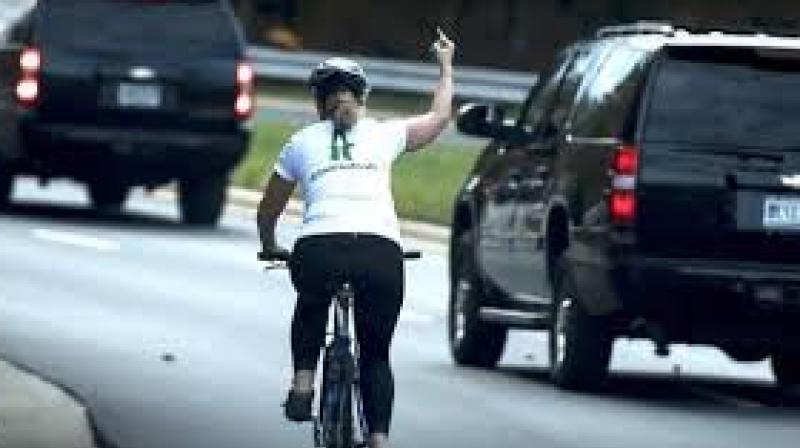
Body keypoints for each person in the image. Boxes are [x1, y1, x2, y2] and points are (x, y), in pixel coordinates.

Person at [257, 28, 455, 448]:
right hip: (380, 254)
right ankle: (379, 439)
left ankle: (303, 383)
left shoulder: (300, 141)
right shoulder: (386, 133)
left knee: (311, 304)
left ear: (317, 103)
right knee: (376, 354)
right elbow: (439, 118)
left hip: (318, 249)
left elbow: (268, 208)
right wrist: (445, 67)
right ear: (362, 99)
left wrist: (272, 244)